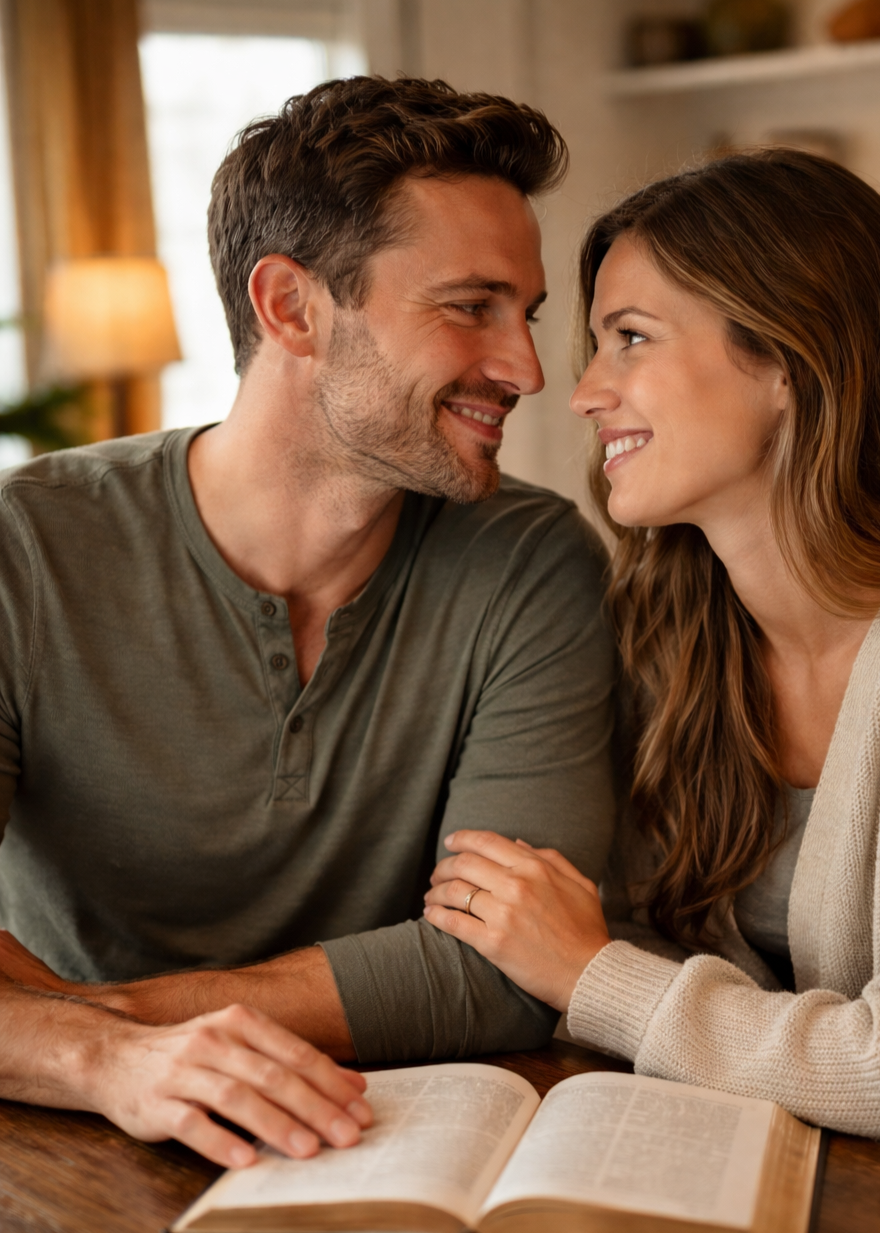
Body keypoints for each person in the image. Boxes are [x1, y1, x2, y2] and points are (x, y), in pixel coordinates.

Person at [0, 78, 615, 1170]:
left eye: (525, 314)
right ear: (290, 307)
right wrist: (103, 1065)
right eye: (470, 306)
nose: (525, 369)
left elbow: (506, 967)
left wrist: (77, 1021)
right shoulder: (27, 546)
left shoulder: (532, 560)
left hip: (379, 1139)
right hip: (52, 1148)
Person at [424, 149, 880, 1189]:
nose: (582, 393)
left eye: (631, 341)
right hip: (799, 1184)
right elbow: (637, 920)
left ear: (787, 357)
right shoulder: (674, 625)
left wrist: (589, 977)